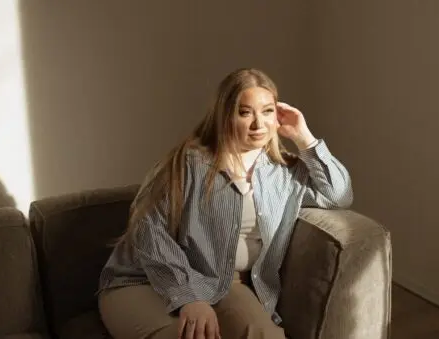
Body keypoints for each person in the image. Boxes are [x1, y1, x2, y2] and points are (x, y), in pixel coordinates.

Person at [97, 68, 353, 339]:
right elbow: (148, 231)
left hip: (223, 282)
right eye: (245, 112)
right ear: (225, 115)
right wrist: (190, 299)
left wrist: (305, 138)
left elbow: (339, 194)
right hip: (141, 280)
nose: (258, 124)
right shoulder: (188, 161)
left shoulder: (285, 172)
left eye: (267, 111)